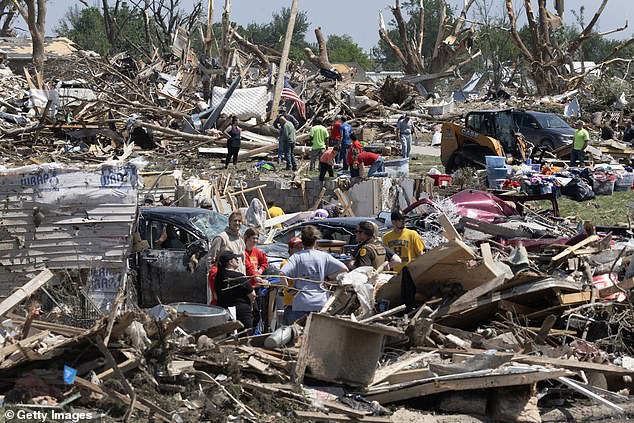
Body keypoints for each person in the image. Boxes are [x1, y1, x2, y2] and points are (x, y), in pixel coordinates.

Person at [281, 225, 348, 322]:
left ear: (303, 241)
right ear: (316, 240)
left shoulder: (296, 257)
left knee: (298, 334)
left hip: (301, 302)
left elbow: (282, 273)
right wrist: (328, 278)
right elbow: (344, 269)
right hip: (320, 302)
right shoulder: (324, 256)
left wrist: (289, 290)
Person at [214, 251, 256, 330]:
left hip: (224, 311)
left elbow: (216, 295)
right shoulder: (238, 276)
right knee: (246, 337)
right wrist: (251, 305)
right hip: (241, 312)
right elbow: (252, 294)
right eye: (235, 258)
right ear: (230, 262)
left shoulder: (218, 277)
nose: (237, 260)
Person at [280, 237, 303, 325]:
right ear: (290, 249)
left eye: (301, 248)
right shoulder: (286, 263)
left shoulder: (302, 262)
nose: (300, 250)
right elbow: (284, 276)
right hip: (291, 304)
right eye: (297, 248)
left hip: (303, 303)